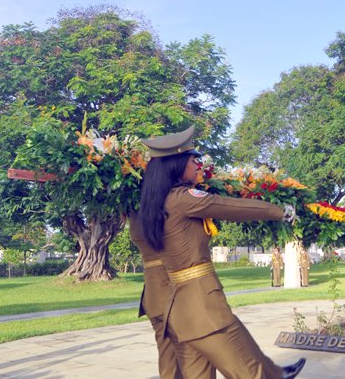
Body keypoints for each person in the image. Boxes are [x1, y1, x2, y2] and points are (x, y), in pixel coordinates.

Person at [138, 125, 306, 379]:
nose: (198, 165)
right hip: (204, 309)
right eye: (193, 160)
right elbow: (229, 206)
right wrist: (279, 211)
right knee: (253, 374)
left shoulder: (155, 204)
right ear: (176, 165)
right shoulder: (183, 198)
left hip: (180, 312)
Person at [128, 213, 205, 378]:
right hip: (171, 292)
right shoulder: (165, 211)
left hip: (155, 293)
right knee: (190, 357)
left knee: (169, 355)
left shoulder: (136, 214)